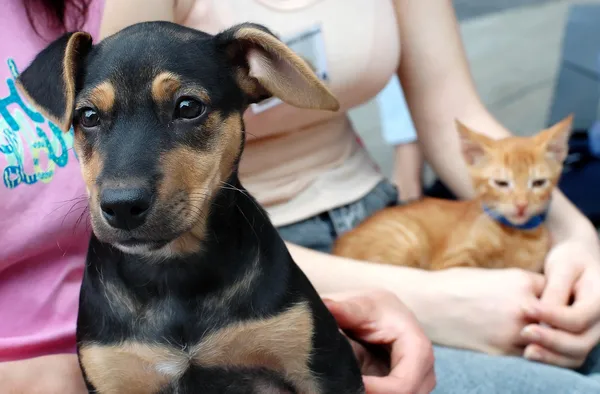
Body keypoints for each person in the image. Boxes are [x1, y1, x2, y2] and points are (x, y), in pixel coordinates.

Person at [100, 0, 600, 392]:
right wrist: (439, 302)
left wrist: (576, 238)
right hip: (249, 278)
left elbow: (456, 119)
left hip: (388, 224)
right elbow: (128, 164)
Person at [0, 2, 434, 393]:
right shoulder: (104, 333)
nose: (123, 187)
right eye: (91, 118)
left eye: (188, 109)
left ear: (255, 78)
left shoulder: (276, 299)